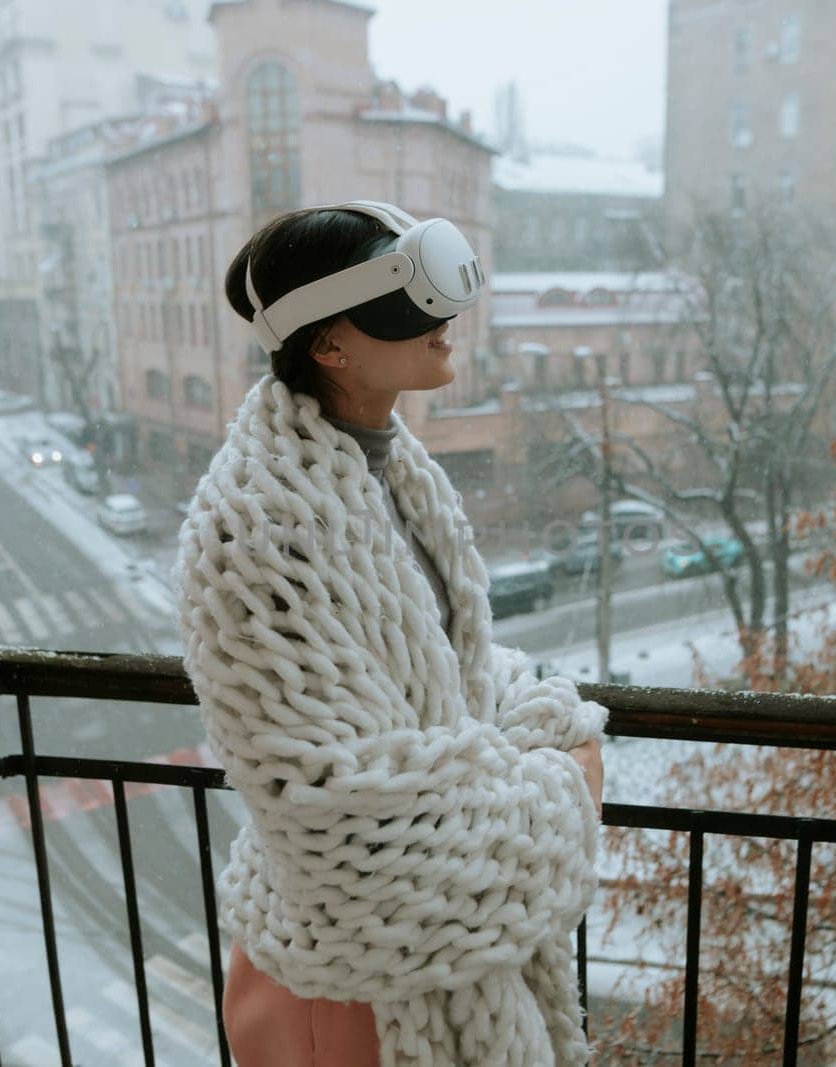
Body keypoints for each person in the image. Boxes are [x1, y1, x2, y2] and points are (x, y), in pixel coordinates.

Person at [174, 202, 607, 1067]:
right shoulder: (256, 529)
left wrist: (531, 726)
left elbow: (453, 675)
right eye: (413, 305)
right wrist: (564, 793)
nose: (446, 324)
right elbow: (348, 824)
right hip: (351, 1001)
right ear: (331, 344)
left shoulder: (391, 469)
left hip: (429, 969)